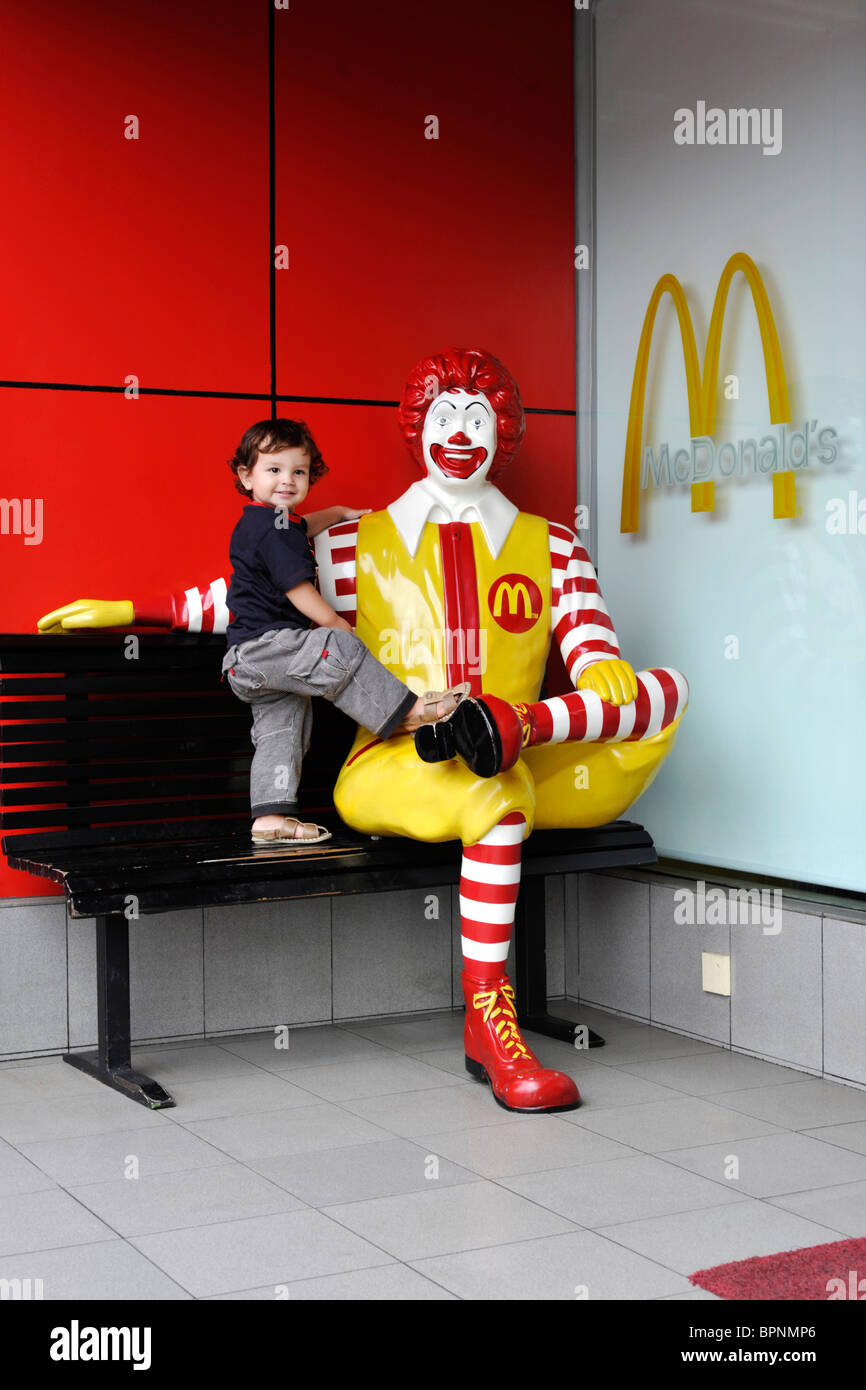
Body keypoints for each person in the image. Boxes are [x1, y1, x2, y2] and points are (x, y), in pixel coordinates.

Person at [36, 349, 688, 1116]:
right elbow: (246, 600)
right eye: (446, 415)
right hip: (395, 767)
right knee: (495, 796)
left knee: (666, 694)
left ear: (503, 435)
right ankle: (489, 1018)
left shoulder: (553, 546)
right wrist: (130, 609)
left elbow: (592, 644)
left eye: (479, 419)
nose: (461, 433)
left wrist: (600, 665)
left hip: (532, 758)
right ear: (418, 430)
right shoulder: (352, 544)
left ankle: (510, 726)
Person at [222, 417, 469, 844]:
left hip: (254, 666)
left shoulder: (269, 524)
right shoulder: (271, 528)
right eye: (274, 470)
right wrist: (335, 622)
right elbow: (297, 588)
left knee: (284, 728)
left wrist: (334, 515)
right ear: (246, 476)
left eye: (298, 471)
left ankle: (268, 818)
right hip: (265, 649)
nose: (287, 480)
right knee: (334, 645)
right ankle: (406, 712)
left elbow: (302, 526)